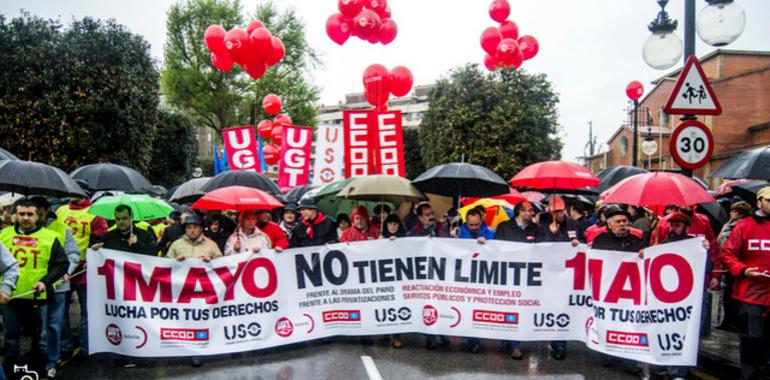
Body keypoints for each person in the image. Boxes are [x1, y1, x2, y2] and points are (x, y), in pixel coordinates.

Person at [1, 199, 68, 376]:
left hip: (38, 297)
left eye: (30, 214)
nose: (25, 218)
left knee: (40, 340)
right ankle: (12, 374)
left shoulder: (50, 237)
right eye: (21, 213)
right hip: (10, 297)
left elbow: (62, 265)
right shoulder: (4, 235)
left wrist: (45, 282)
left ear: (38, 216)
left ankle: (38, 372)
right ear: (15, 215)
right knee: (11, 339)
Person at [720, 186, 770, 380]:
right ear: (759, 202)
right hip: (751, 294)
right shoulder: (744, 226)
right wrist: (743, 270)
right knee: (752, 340)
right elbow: (728, 253)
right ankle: (749, 375)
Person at [55, 191, 108, 359]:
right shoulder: (61, 210)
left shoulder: (94, 213)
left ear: (84, 194)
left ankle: (86, 345)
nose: (71, 194)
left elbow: (101, 236)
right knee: (60, 310)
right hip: (62, 267)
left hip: (85, 267)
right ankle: (65, 346)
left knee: (87, 310)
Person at [31, 197, 79, 379]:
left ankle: (52, 360)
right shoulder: (26, 230)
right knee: (38, 326)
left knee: (53, 324)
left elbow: (73, 254)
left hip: (58, 286)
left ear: (46, 210)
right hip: (33, 288)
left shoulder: (61, 228)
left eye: (38, 211)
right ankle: (40, 360)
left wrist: (67, 270)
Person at [535, 196, 583, 360]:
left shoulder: (574, 224)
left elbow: (582, 243)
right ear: (549, 210)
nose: (558, 214)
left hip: (568, 273)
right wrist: (551, 234)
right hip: (549, 272)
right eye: (555, 211)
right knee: (551, 306)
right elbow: (539, 247)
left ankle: (560, 344)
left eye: (561, 211)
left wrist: (577, 242)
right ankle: (550, 338)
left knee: (564, 307)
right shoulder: (542, 226)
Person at [493, 201, 537, 360]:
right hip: (508, 275)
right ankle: (511, 341)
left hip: (527, 277)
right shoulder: (504, 227)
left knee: (520, 309)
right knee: (509, 309)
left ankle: (514, 344)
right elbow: (495, 248)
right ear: (520, 212)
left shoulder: (535, 229)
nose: (532, 213)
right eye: (529, 210)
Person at [406, 203, 450, 350]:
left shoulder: (441, 228)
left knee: (443, 303)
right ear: (419, 218)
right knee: (427, 306)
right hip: (423, 276)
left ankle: (443, 332)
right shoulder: (413, 233)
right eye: (427, 215)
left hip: (441, 274)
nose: (431, 217)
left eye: (432, 213)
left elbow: (450, 245)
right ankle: (429, 336)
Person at [456, 208, 494, 354]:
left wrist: (488, 244)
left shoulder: (491, 233)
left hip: (484, 277)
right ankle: (472, 341)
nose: (473, 228)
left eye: (476, 225)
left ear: (481, 222)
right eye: (470, 225)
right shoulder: (458, 234)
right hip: (465, 278)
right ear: (466, 222)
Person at [716, 201, 751, 332]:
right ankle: (727, 321)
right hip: (726, 264)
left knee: (732, 295)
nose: (730, 213)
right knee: (726, 294)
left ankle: (734, 322)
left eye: (733, 211)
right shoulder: (728, 225)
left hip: (735, 266)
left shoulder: (741, 227)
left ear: (740, 214)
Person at [92, 205, 157, 256]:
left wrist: (138, 244)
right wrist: (94, 251)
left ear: (131, 218)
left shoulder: (145, 236)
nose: (121, 222)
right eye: (118, 219)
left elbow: (153, 255)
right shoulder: (107, 237)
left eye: (124, 218)